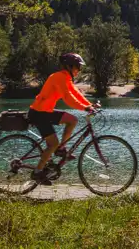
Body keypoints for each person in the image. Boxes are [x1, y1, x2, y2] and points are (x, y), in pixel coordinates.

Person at [27, 52, 100, 184]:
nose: (79, 70)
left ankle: (61, 149)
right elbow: (68, 98)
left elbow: (75, 93)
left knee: (72, 120)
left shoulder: (66, 78)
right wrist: (84, 108)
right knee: (52, 144)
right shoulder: (59, 77)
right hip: (38, 113)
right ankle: (37, 172)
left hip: (46, 112)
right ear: (70, 66)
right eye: (78, 67)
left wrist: (89, 105)